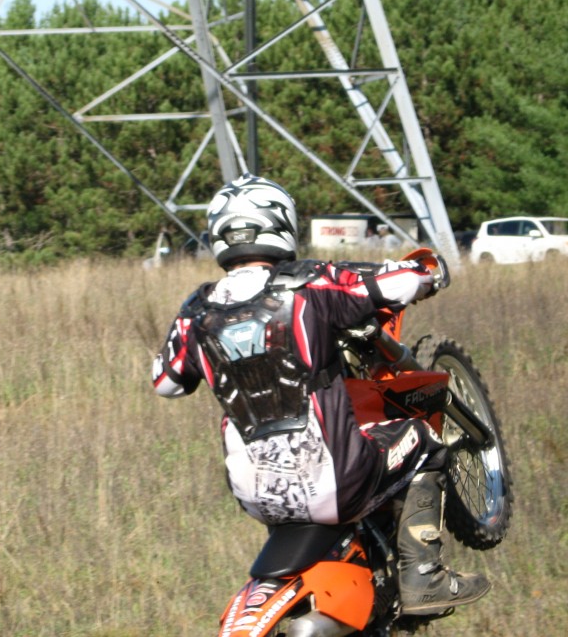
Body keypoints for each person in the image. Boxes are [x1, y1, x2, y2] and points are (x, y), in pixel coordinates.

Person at [151, 174, 489, 616]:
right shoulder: (308, 283)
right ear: (280, 222)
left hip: (256, 496)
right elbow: (398, 282)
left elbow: (166, 382)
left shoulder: (196, 311)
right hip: (335, 480)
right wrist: (429, 273)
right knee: (423, 440)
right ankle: (424, 576)